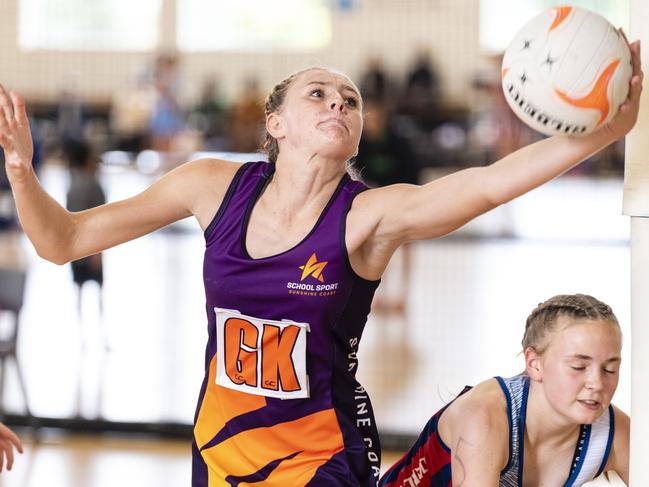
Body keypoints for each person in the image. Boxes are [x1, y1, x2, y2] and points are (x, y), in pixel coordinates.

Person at [0, 36, 642, 485]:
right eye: (319, 94)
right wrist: (24, 173)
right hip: (222, 447)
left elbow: (489, 183)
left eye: (351, 99)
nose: (338, 102)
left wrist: (605, 131)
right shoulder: (209, 186)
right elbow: (61, 241)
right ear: (274, 123)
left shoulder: (367, 217)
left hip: (323, 455)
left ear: (359, 131)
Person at [380, 294, 628, 486]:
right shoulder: (484, 417)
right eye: (579, 366)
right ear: (534, 364)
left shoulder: (615, 432)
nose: (596, 383)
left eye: (610, 369)